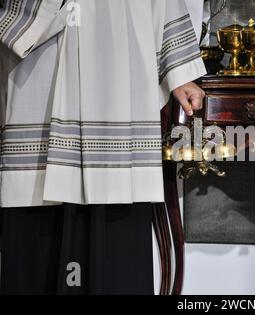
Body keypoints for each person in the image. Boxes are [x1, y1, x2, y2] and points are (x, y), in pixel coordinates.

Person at [0, 0, 206, 294]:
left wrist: (179, 70)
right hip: (42, 57)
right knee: (37, 213)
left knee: (116, 221)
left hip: (117, 65)